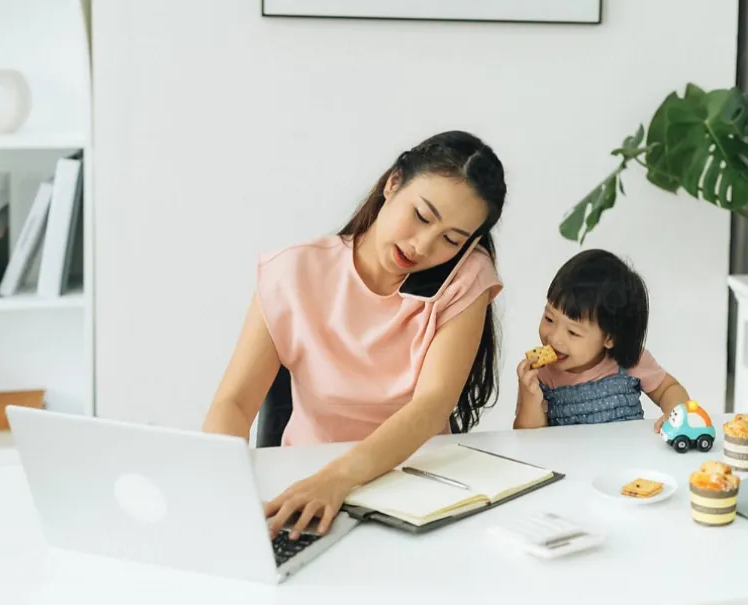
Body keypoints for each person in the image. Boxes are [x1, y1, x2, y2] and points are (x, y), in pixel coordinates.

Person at [203, 130, 507, 539]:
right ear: (393, 182)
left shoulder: (465, 279)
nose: (422, 246)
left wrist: (340, 478)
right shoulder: (293, 274)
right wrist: (223, 488)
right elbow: (234, 402)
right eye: (421, 216)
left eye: (451, 239)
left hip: (417, 488)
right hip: (305, 482)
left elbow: (432, 405)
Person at [513, 249, 689, 431]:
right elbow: (528, 439)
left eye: (573, 332)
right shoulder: (541, 375)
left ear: (610, 337)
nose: (554, 338)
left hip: (629, 456)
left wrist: (676, 413)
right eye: (549, 319)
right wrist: (530, 399)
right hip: (567, 458)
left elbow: (669, 389)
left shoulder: (630, 361)